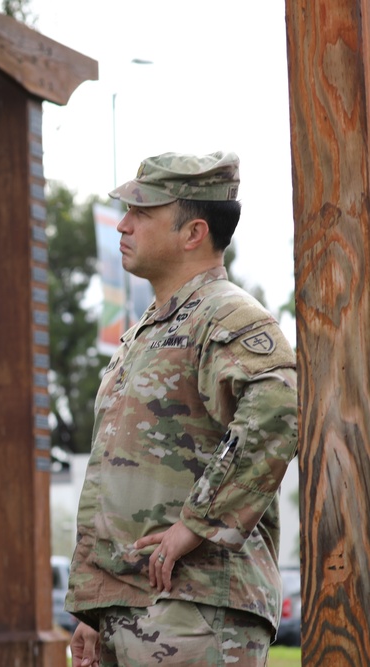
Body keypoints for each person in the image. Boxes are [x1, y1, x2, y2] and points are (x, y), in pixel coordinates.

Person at [65, 151, 298, 667]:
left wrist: (197, 523)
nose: (123, 225)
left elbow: (280, 407)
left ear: (193, 233)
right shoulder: (148, 330)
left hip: (198, 609)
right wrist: (94, 607)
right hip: (135, 607)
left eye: (141, 212)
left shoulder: (227, 314)